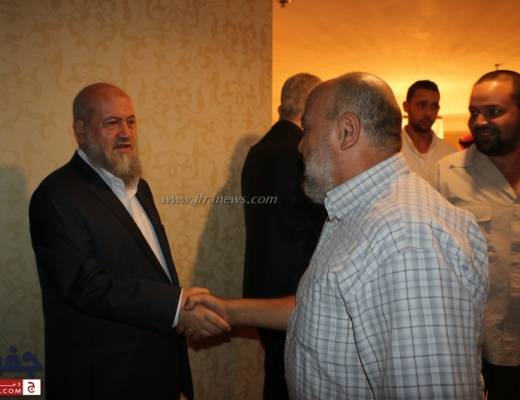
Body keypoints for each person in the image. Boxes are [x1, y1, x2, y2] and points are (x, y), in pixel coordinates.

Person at [185, 72, 489, 399]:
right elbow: (321, 307)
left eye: (307, 130)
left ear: (347, 131)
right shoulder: (356, 210)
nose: (300, 145)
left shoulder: (408, 240)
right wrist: (228, 310)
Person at [29, 83, 229, 399]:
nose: (126, 133)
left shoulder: (140, 188)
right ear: (81, 131)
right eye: (112, 123)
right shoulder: (56, 196)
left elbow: (150, 271)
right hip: (103, 379)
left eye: (131, 122)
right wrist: (175, 306)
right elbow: (85, 286)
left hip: (157, 369)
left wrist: (178, 310)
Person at [430, 70, 520, 400]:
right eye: (473, 112)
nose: (479, 121)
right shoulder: (447, 175)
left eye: (494, 111)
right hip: (476, 346)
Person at [240, 72, 326, 400]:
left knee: (276, 372)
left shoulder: (257, 151)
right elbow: (320, 220)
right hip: (294, 287)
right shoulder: (302, 151)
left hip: (261, 283)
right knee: (293, 380)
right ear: (310, 105)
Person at [401, 80, 455, 179]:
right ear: (406, 106)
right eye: (421, 105)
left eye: (434, 106)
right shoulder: (390, 149)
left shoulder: (449, 152)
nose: (428, 113)